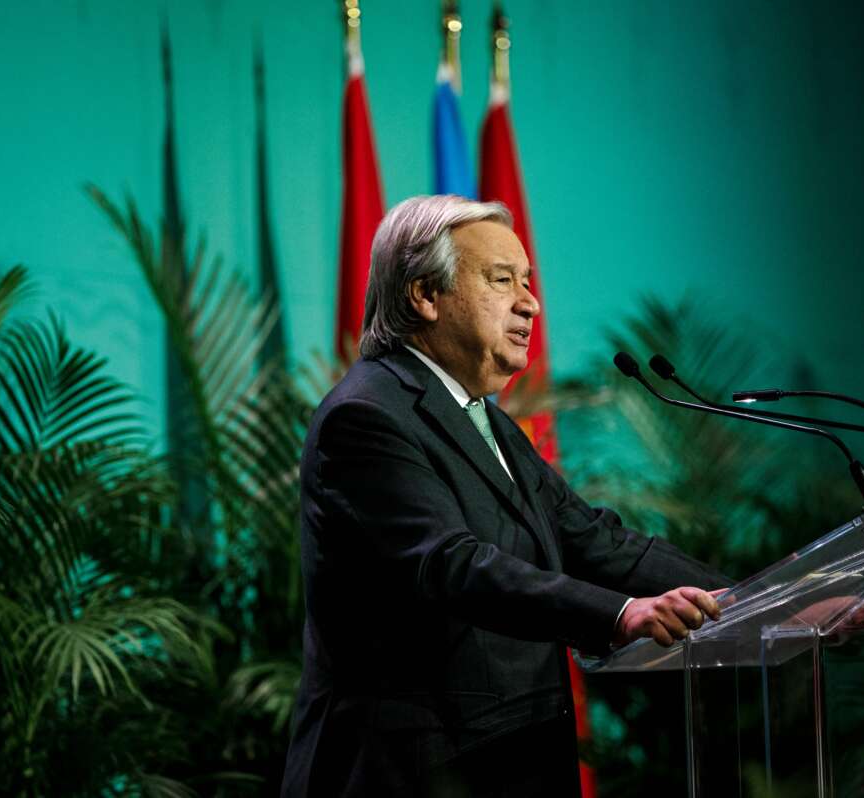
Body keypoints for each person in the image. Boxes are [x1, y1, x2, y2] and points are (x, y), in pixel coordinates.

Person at [281, 195, 732, 797]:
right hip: (410, 770)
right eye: (501, 280)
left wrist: (763, 603)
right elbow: (448, 565)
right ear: (425, 295)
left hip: (507, 759)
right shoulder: (366, 416)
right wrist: (622, 614)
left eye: (527, 280)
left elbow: (594, 540)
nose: (531, 302)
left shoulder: (482, 417)